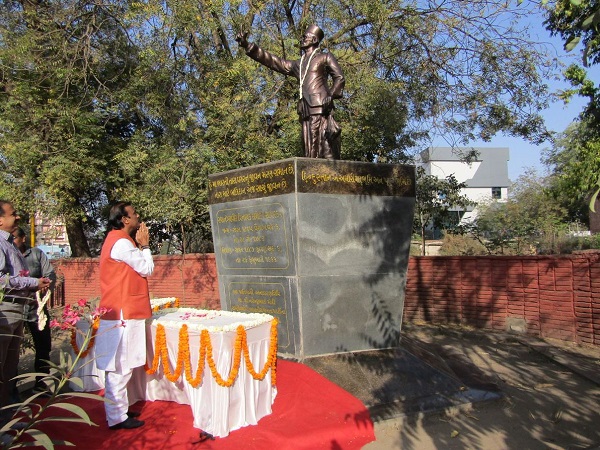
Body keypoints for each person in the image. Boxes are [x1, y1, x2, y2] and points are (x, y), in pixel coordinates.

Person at [236, 24, 345, 160]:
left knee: (323, 147)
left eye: (306, 37)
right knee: (309, 148)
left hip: (321, 106)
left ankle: (322, 175)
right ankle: (311, 176)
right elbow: (275, 61)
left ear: (315, 40)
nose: (302, 39)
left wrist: (331, 95)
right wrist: (248, 46)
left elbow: (339, 78)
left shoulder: (325, 57)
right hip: (305, 109)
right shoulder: (298, 64)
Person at [95, 201, 154, 430]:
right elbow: (146, 268)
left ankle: (118, 410)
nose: (138, 216)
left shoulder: (118, 240)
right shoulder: (121, 242)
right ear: (124, 219)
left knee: (121, 364)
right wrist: (146, 246)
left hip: (120, 310)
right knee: (120, 365)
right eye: (134, 213)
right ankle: (117, 417)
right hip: (123, 312)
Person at [0, 201, 51, 418]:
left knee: (9, 372)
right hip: (6, 310)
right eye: (13, 214)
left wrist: (34, 283)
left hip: (18, 310)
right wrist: (31, 283)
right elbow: (1, 279)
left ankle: (6, 423)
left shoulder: (11, 244)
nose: (18, 218)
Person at [11, 227, 56, 392]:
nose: (12, 241)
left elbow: (50, 275)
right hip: (15, 309)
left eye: (14, 238)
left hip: (36, 310)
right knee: (12, 351)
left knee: (43, 346)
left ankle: (41, 383)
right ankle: (11, 390)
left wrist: (46, 284)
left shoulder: (36, 254)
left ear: (23, 238)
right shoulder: (7, 254)